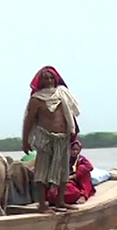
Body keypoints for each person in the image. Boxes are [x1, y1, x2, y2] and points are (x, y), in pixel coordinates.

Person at [22, 65, 81, 213]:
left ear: (56, 79)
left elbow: (70, 115)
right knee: (42, 171)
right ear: (40, 82)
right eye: (45, 78)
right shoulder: (36, 99)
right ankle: (42, 205)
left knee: (63, 171)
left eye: (51, 78)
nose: (48, 80)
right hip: (44, 138)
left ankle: (60, 202)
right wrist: (25, 141)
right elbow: (28, 121)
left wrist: (74, 132)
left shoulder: (63, 94)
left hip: (63, 138)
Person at [46, 140, 95, 205]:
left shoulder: (81, 159)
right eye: (73, 149)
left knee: (85, 173)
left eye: (77, 150)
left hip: (77, 182)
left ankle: (83, 195)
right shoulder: (62, 159)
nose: (75, 152)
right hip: (64, 182)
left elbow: (89, 167)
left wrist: (73, 176)